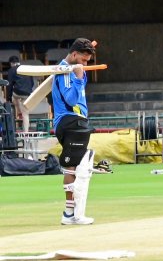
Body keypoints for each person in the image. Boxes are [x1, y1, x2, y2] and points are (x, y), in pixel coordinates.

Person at [54, 38, 96, 225]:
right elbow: (71, 100)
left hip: (76, 122)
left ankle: (71, 212)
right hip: (70, 121)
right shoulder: (65, 72)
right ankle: (70, 214)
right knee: (72, 166)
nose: (85, 64)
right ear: (74, 55)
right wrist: (79, 78)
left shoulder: (73, 68)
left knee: (77, 166)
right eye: (84, 60)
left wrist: (80, 74)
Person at [6, 56, 34, 132]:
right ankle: (26, 134)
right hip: (28, 93)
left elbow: (9, 85)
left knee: (13, 97)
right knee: (25, 114)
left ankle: (18, 111)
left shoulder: (12, 70)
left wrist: (8, 98)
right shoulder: (26, 68)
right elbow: (32, 83)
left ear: (11, 63)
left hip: (17, 92)